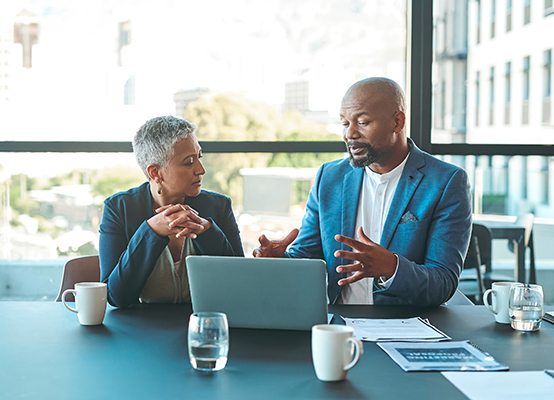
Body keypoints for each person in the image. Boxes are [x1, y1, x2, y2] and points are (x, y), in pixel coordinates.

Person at [253, 77, 472, 306]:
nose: (350, 134)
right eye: (345, 123)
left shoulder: (446, 182)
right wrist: (279, 262)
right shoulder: (328, 178)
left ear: (397, 122)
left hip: (405, 327)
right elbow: (307, 258)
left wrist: (392, 268)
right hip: (337, 325)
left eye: (363, 122)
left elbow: (443, 282)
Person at [99, 116, 243, 308]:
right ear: (155, 173)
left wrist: (208, 231)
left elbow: (239, 283)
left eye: (199, 157)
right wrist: (151, 232)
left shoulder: (219, 207)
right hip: (141, 330)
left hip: (205, 325)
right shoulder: (118, 209)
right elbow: (116, 296)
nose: (201, 170)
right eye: (189, 162)